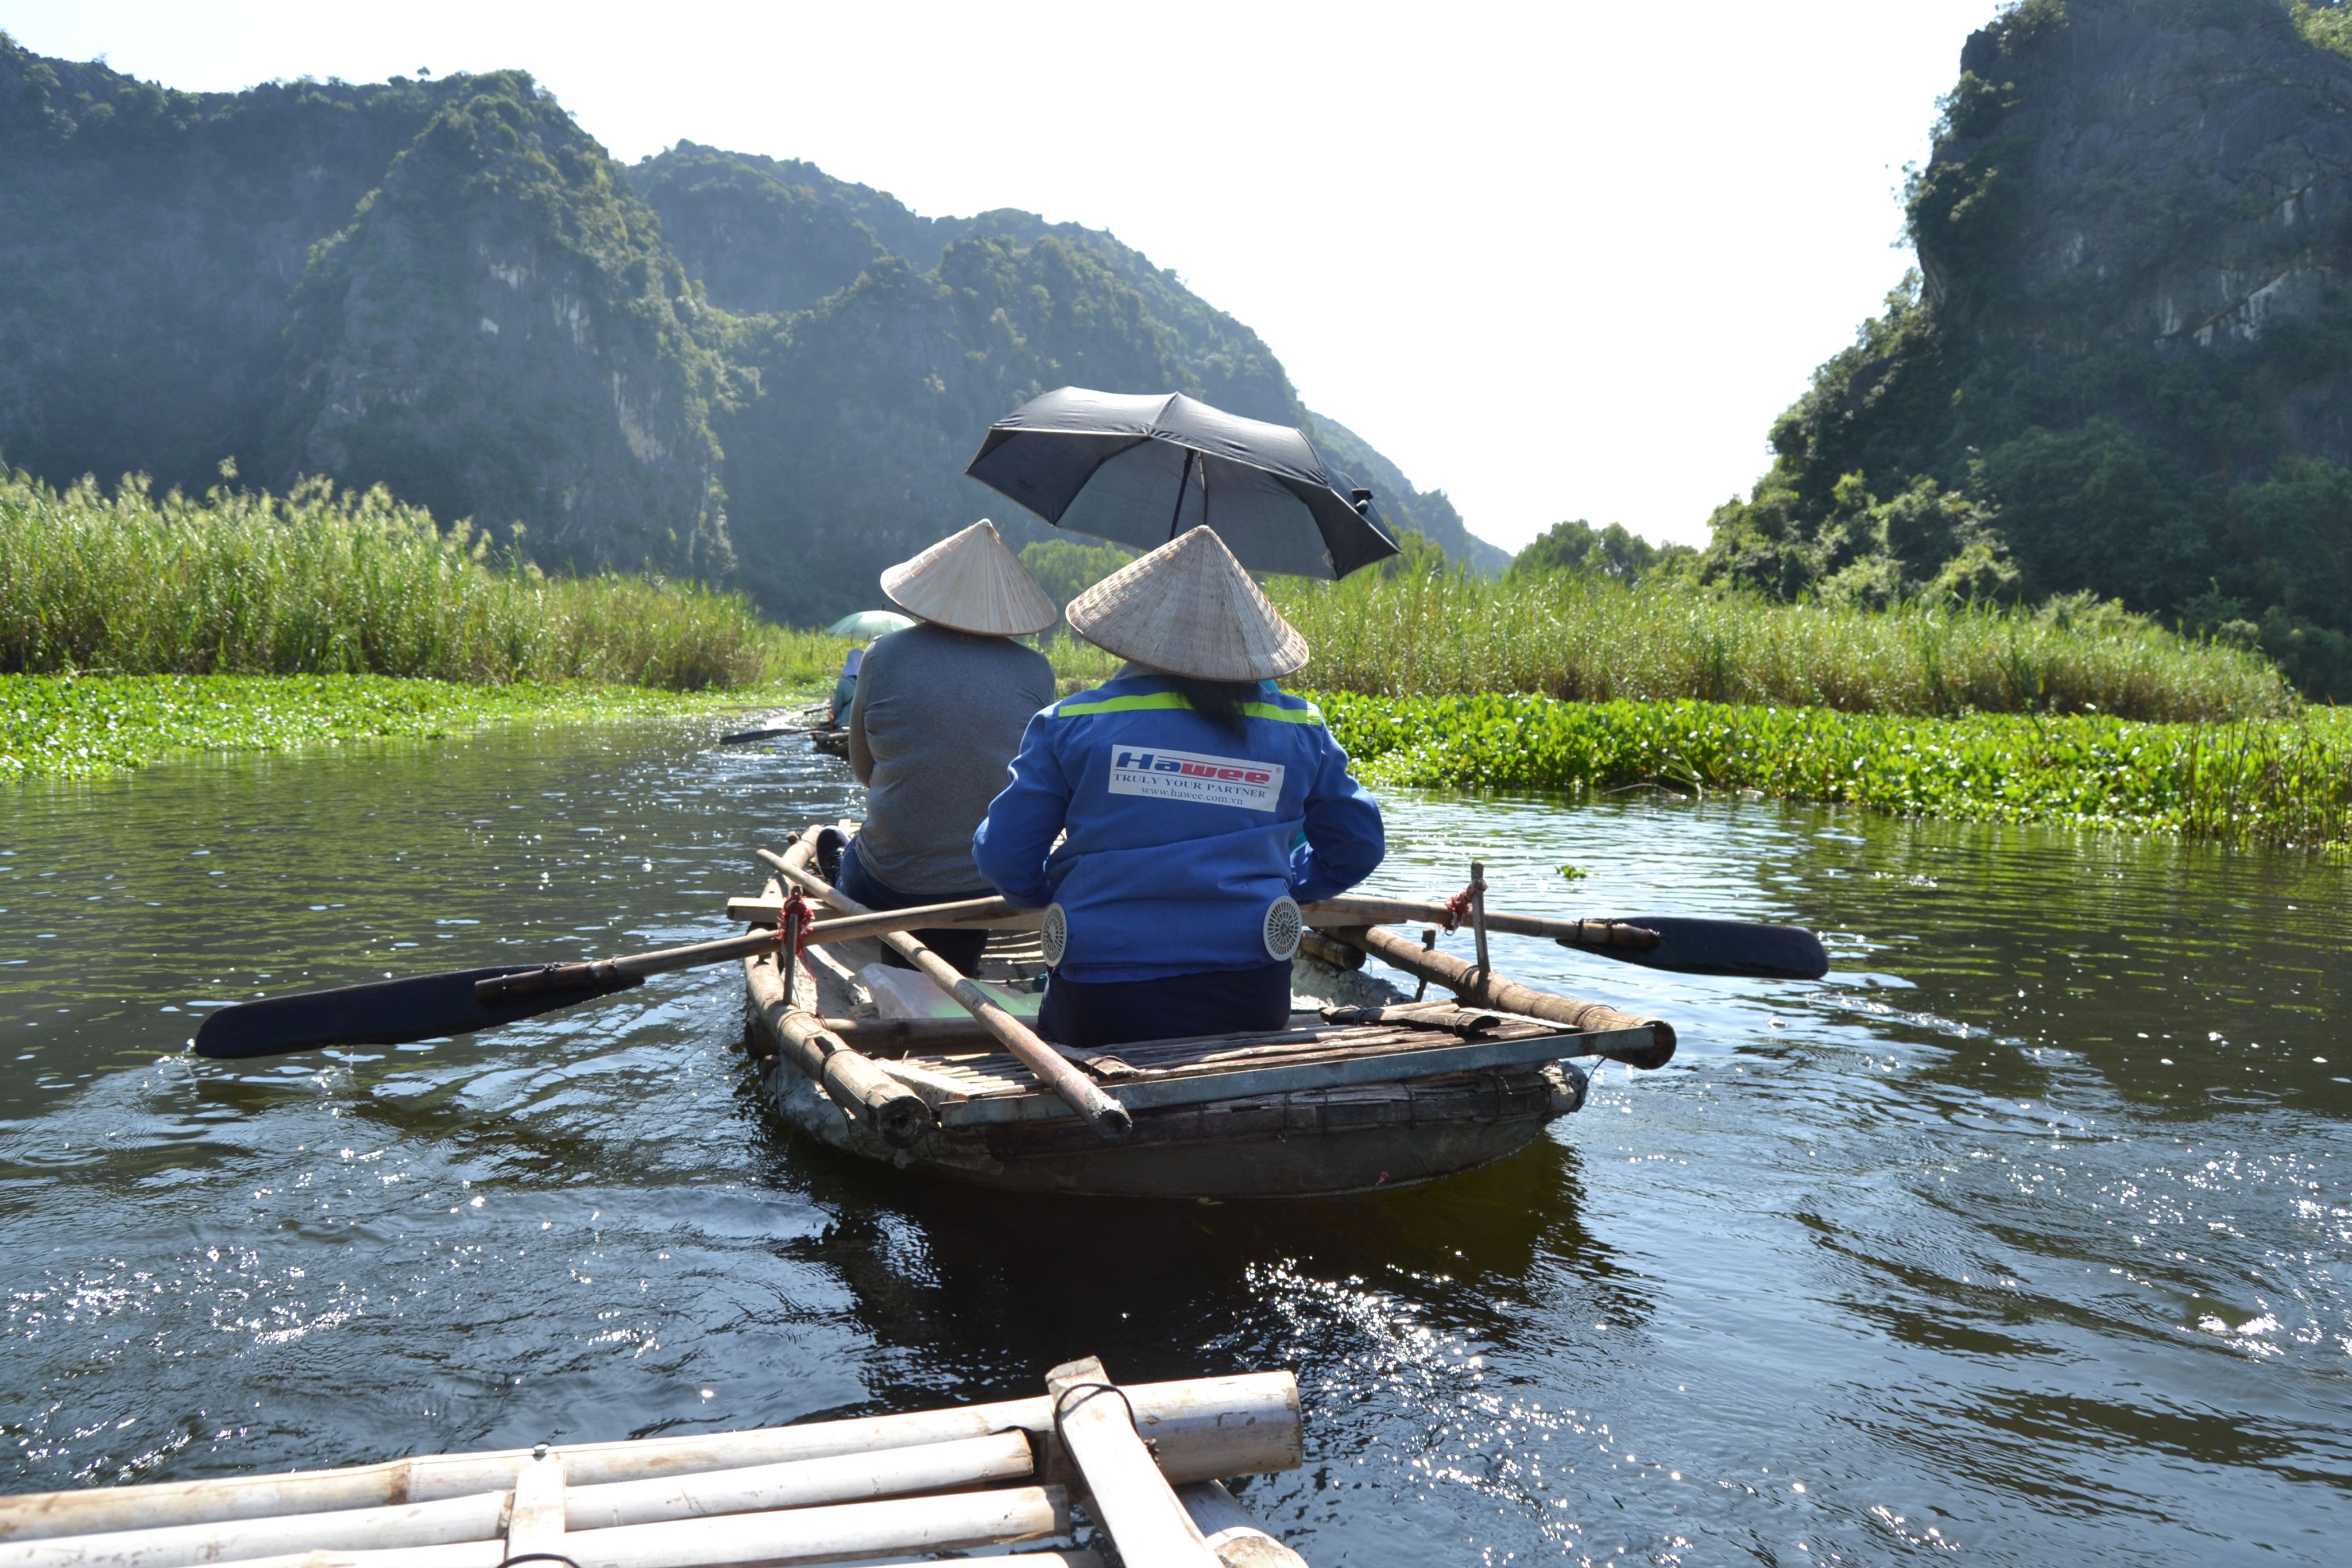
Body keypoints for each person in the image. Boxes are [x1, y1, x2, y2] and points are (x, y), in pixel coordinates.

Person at [972, 525, 1384, 1050]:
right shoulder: (1301, 729)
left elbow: (1004, 855)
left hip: (1101, 998)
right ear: (1244, 642)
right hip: (1251, 995)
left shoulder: (1069, 723)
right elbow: (1359, 846)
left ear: (1134, 631)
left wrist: (1055, 895)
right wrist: (1287, 885)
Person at [835, 520, 1059, 976]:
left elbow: (864, 770)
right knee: (970, 879)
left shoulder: (882, 655)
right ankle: (955, 970)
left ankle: (898, 961)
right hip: (984, 885)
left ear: (930, 593)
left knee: (853, 861)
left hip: (890, 883)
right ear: (1004, 606)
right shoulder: (1037, 670)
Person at [827, 645, 863, 727]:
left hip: (844, 723)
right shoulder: (868, 683)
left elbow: (836, 709)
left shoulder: (843, 683)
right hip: (862, 725)